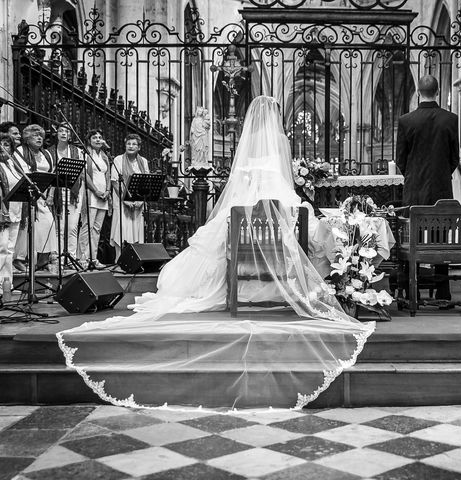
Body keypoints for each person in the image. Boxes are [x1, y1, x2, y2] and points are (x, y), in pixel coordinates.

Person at [57, 96, 374, 411]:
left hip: (244, 233)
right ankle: (296, 293)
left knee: (223, 233)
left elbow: (239, 196)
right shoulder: (279, 148)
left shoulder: (248, 158)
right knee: (308, 226)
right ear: (275, 121)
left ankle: (234, 292)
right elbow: (287, 194)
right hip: (278, 236)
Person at [396, 74, 459, 303]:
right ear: (438, 91)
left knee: (412, 239)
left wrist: (414, 178)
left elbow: (400, 159)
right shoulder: (450, 119)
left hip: (414, 191)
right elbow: (454, 158)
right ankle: (443, 293)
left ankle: (412, 290)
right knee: (440, 239)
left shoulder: (406, 120)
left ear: (418, 93)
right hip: (442, 190)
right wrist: (440, 176)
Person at [12, 124, 57, 272]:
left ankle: (43, 260)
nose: (39, 138)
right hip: (26, 195)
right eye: (35, 135)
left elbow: (52, 175)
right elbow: (22, 174)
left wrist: (49, 196)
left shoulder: (46, 154)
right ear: (26, 138)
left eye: (40, 136)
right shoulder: (20, 151)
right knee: (27, 227)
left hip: (43, 196)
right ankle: (19, 258)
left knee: (48, 224)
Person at [48, 123, 84, 265]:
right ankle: (57, 256)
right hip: (56, 192)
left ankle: (71, 256)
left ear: (70, 135)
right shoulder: (49, 152)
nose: (64, 133)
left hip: (73, 193)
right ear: (56, 134)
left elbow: (81, 172)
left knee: (72, 228)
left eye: (67, 131)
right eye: (61, 131)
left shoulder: (77, 151)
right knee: (58, 228)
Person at [110, 133, 149, 261]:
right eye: (128, 144)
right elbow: (115, 181)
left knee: (136, 229)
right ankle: (118, 259)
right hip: (122, 201)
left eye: (134, 144)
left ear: (139, 147)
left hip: (138, 201)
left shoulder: (143, 161)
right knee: (121, 229)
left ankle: (134, 260)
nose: (131, 146)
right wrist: (125, 199)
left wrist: (141, 201)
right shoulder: (118, 159)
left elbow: (147, 181)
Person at [77, 129, 110, 268]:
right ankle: (82, 258)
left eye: (100, 137)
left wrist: (107, 190)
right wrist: (96, 191)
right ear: (89, 140)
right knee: (87, 226)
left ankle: (93, 257)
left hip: (104, 196)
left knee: (97, 228)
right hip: (92, 195)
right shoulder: (86, 154)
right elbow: (84, 174)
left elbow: (107, 174)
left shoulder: (104, 156)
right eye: (94, 137)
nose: (98, 139)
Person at [0, 134, 23, 296]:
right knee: (1, 248)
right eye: (0, 144)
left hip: (16, 210)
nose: (3, 147)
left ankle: (7, 282)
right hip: (3, 212)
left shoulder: (13, 164)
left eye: (7, 144)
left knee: (10, 250)